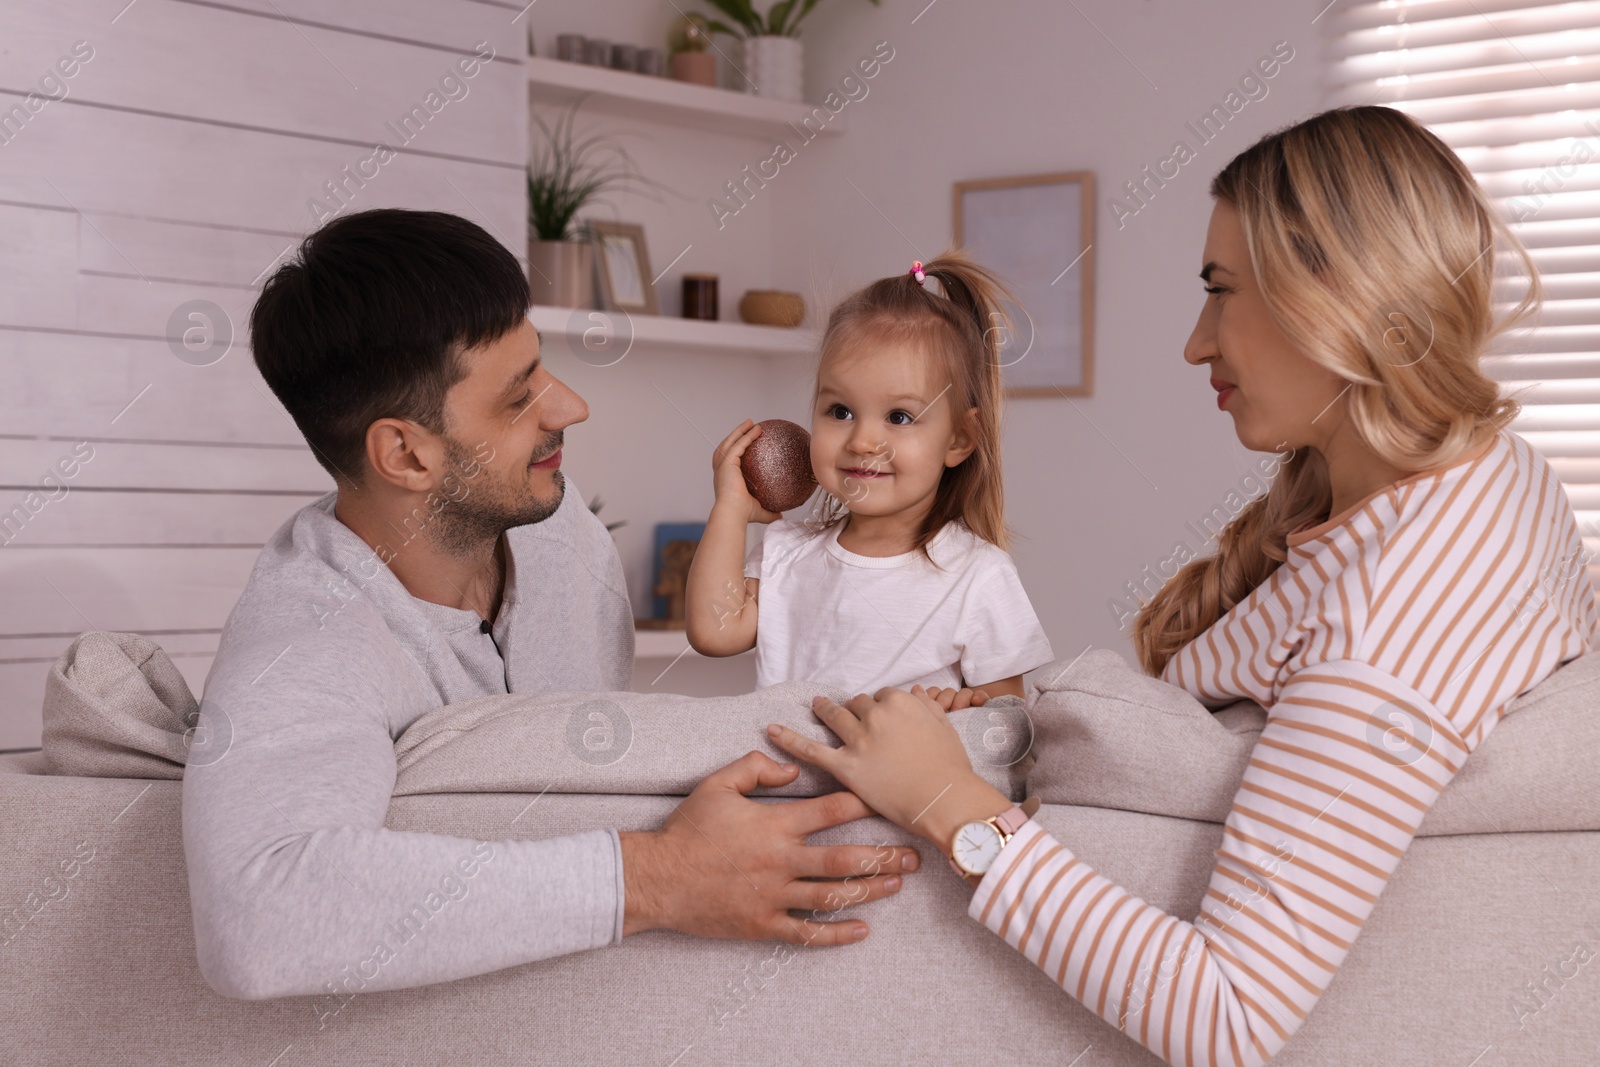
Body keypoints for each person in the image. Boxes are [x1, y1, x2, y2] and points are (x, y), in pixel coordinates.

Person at [765, 105, 1600, 1066]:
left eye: (1220, 291)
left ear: (1337, 298)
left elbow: (1227, 1016)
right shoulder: (1486, 471)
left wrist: (948, 803)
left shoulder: (1391, 622)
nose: (1196, 344)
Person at [180, 209, 922, 1002]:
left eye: (543, 369)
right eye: (517, 399)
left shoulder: (562, 537)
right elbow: (258, 920)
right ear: (405, 453)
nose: (570, 407)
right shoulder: (307, 642)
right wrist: (660, 875)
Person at [684, 251, 1054, 706]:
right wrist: (730, 510)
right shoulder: (787, 552)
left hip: (899, 778)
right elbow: (712, 632)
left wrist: (967, 718)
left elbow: (1008, 733)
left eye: (899, 416)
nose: (862, 441)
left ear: (959, 438)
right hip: (784, 775)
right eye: (840, 411)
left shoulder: (978, 575)